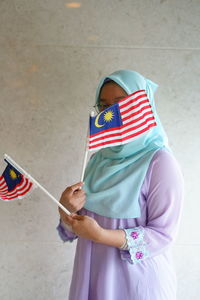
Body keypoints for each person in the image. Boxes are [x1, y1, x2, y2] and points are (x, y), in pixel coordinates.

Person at [56, 70, 184, 300]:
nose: (112, 114)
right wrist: (66, 210)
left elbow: (163, 235)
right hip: (90, 278)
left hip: (136, 283)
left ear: (142, 106)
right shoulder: (97, 159)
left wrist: (102, 235)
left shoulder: (159, 162)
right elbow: (75, 229)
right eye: (104, 106)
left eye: (121, 104)